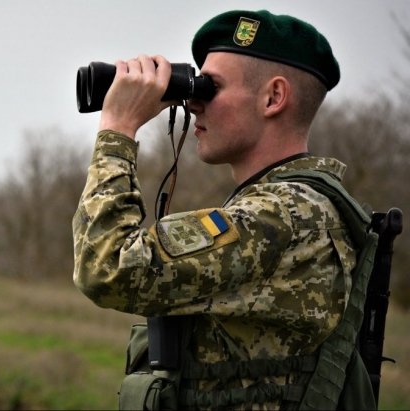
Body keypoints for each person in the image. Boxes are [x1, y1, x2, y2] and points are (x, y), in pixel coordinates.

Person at [72, 9, 376, 410]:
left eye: (210, 87)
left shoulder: (284, 216)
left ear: (273, 97)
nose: (194, 102)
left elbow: (106, 268)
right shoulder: (287, 209)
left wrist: (118, 128)